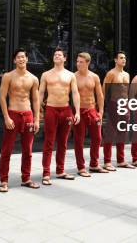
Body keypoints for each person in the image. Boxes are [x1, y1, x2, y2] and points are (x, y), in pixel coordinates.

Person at [0, 49, 41, 192]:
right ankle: (4, 180)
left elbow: (35, 99)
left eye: (23, 57)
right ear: (14, 60)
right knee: (7, 149)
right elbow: (2, 97)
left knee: (28, 150)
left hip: (28, 114)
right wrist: (6, 117)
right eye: (18, 57)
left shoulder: (34, 79)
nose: (21, 59)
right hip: (13, 114)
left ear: (27, 59)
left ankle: (26, 178)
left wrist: (36, 119)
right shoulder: (8, 76)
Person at [39, 47, 81, 185]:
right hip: (51, 109)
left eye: (59, 55)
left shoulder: (70, 75)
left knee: (63, 143)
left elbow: (75, 93)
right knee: (49, 142)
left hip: (66, 110)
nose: (57, 56)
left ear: (65, 58)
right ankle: (46, 173)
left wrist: (78, 112)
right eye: (55, 54)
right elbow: (41, 92)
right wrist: (38, 109)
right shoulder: (46, 74)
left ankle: (60, 170)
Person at [73, 52, 107, 176]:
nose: (78, 64)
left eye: (81, 62)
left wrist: (101, 112)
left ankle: (94, 164)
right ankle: (81, 167)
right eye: (77, 61)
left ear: (88, 63)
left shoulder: (94, 77)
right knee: (79, 139)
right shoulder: (73, 77)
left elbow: (99, 95)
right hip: (79, 110)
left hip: (92, 110)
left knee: (97, 138)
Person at [102, 51, 133, 170]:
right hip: (114, 104)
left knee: (123, 132)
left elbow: (127, 91)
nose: (123, 60)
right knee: (111, 132)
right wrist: (105, 106)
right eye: (121, 58)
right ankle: (107, 162)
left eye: (125, 58)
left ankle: (121, 160)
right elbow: (104, 90)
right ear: (115, 60)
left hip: (125, 105)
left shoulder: (127, 74)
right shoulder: (111, 73)